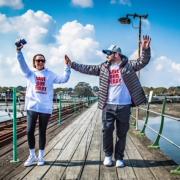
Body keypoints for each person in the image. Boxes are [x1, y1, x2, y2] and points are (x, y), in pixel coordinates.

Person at [65, 35, 151, 167]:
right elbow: (87, 68)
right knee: (107, 131)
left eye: (108, 53)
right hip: (108, 105)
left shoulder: (129, 65)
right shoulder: (104, 67)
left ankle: (119, 158)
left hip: (124, 106)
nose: (106, 55)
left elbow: (142, 61)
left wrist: (145, 49)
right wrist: (72, 64)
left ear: (116, 54)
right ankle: (108, 156)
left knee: (122, 133)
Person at [16, 43, 71, 166]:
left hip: (45, 108)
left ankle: (41, 156)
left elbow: (64, 79)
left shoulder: (50, 74)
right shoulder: (29, 73)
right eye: (38, 60)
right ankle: (32, 156)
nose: (40, 62)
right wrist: (19, 52)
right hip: (32, 107)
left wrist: (67, 67)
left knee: (42, 131)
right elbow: (22, 64)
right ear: (34, 62)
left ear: (44, 62)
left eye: (42, 60)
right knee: (29, 131)